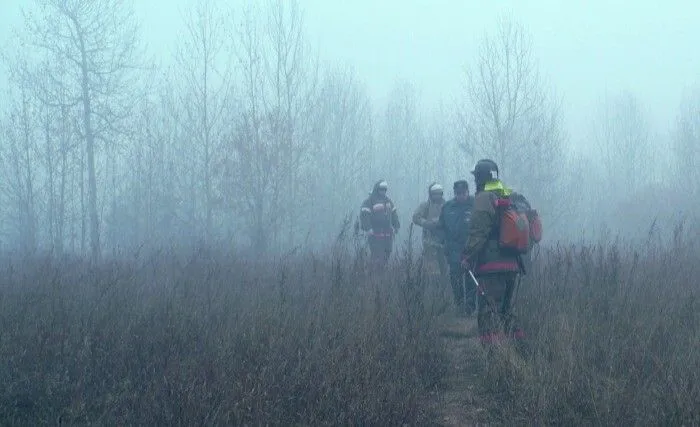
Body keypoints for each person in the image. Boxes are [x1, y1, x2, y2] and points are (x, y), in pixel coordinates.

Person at [462, 159, 533, 344]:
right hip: (512, 265)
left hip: (491, 266)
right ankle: (520, 350)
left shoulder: (484, 197)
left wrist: (467, 256)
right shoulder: (509, 195)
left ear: (479, 177)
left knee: (488, 312)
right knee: (507, 311)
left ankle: (495, 359)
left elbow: (478, 232)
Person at [438, 180, 475, 317]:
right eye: (458, 193)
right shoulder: (447, 207)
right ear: (455, 193)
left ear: (467, 192)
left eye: (463, 193)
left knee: (471, 279)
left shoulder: (475, 205)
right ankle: (459, 306)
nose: (460, 196)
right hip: (453, 250)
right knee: (455, 280)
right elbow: (441, 227)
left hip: (471, 250)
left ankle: (470, 308)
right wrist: (444, 242)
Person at [359, 180, 400, 270]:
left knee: (387, 255)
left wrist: (396, 226)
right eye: (381, 189)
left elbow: (394, 215)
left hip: (387, 235)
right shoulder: (369, 201)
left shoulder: (388, 201)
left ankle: (382, 276)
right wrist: (368, 228)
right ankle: (373, 276)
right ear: (377, 189)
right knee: (377, 257)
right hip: (375, 234)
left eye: (385, 190)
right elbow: (365, 216)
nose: (383, 191)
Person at [412, 182, 447, 277]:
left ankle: (443, 290)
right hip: (430, 242)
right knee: (432, 271)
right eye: (435, 193)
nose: (437, 196)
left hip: (444, 243)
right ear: (431, 194)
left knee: (444, 269)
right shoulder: (425, 206)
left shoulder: (447, 206)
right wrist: (427, 223)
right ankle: (432, 289)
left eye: (439, 193)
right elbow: (416, 217)